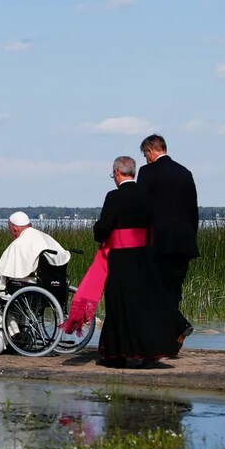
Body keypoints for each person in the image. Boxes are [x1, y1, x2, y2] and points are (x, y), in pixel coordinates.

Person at [84, 156, 179, 368]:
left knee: (118, 304)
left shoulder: (114, 197)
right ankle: (145, 352)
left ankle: (117, 354)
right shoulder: (148, 195)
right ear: (133, 172)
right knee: (142, 304)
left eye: (113, 174)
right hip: (144, 257)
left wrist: (97, 230)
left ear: (117, 173)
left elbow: (104, 228)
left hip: (120, 259)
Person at [136, 134, 198, 349]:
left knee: (154, 289)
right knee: (173, 290)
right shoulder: (184, 173)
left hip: (158, 242)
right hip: (184, 242)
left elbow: (142, 208)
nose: (145, 159)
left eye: (145, 155)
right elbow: (193, 211)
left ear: (151, 151)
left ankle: (179, 325)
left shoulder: (147, 172)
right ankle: (171, 343)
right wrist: (191, 238)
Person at [0, 211, 71, 318]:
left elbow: (6, 273)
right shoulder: (46, 238)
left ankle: (9, 330)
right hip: (54, 285)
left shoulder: (20, 243)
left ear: (15, 229)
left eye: (11, 231)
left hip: (31, 286)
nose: (12, 234)